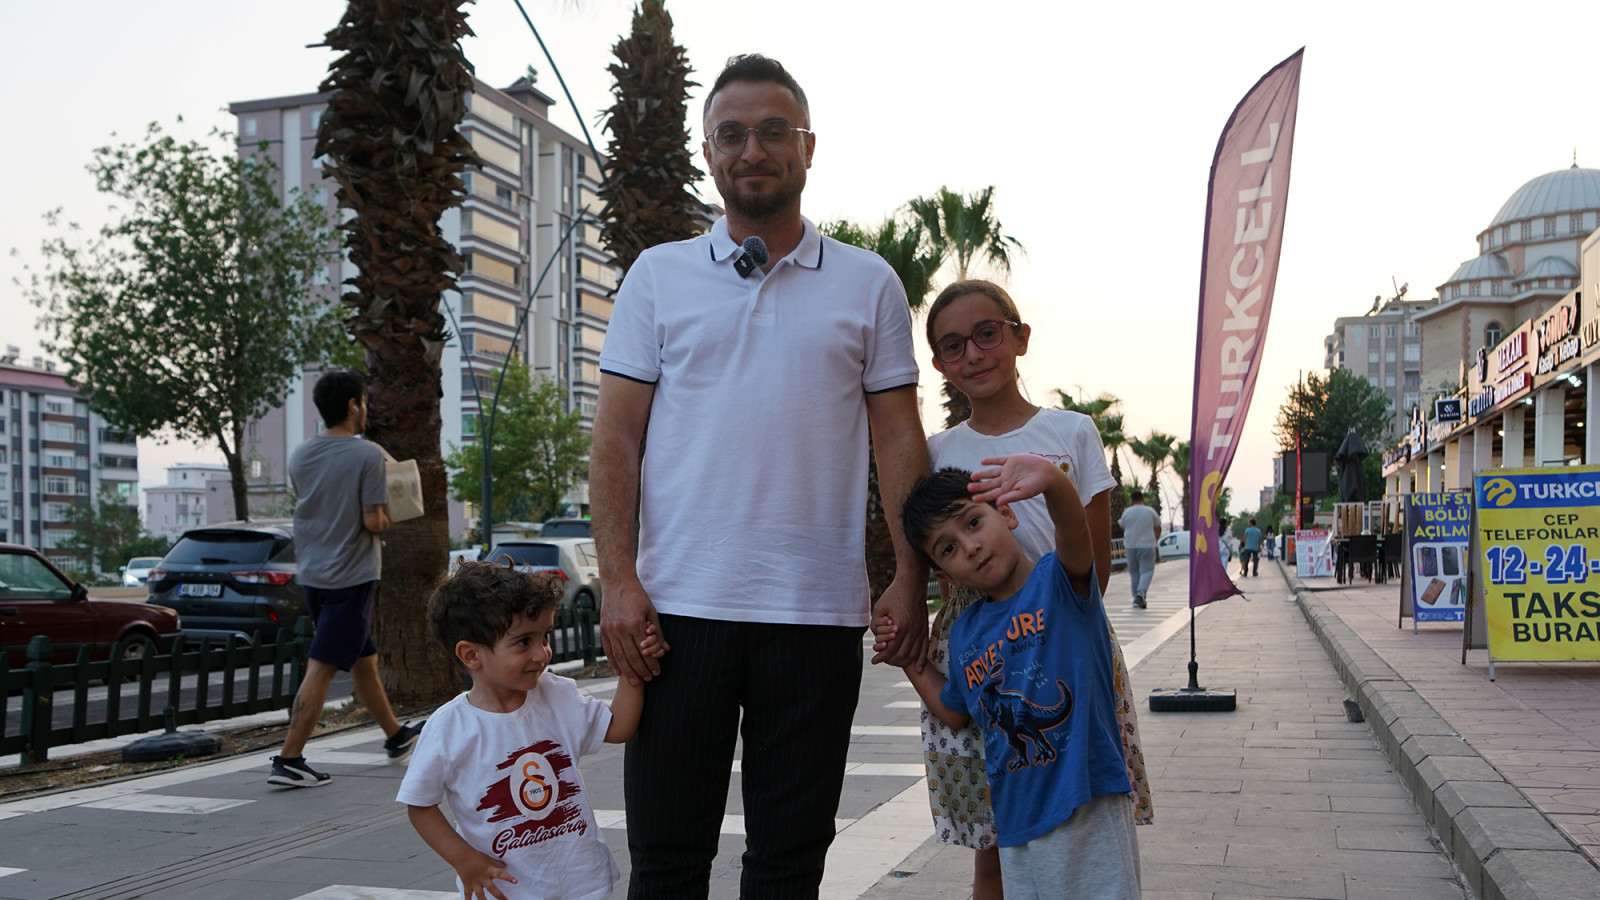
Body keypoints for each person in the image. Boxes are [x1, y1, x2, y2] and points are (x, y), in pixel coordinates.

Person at [589, 53, 930, 897]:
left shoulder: (868, 283)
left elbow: (899, 440)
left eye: (774, 131)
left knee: (789, 865)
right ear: (708, 152)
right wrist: (618, 582)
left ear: (808, 147)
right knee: (666, 864)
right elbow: (617, 440)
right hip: (677, 615)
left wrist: (910, 575)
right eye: (733, 134)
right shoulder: (657, 276)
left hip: (815, 616)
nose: (754, 150)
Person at [907, 279, 1150, 898]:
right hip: (980, 652)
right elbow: (926, 546)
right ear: (939, 363)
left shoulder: (1072, 433)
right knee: (994, 846)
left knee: (1084, 808)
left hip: (1064, 633)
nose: (973, 354)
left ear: (1019, 337)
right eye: (954, 346)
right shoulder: (937, 451)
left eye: (987, 334)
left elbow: (1094, 567)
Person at [890, 459, 1141, 898]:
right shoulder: (966, 632)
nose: (970, 546)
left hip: (1087, 800)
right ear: (945, 576)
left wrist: (1053, 481)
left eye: (973, 522)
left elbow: (1076, 534)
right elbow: (955, 710)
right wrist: (908, 656)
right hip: (1015, 820)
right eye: (948, 549)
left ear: (1006, 514)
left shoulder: (1060, 581)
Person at [398, 561, 662, 900]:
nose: (542, 653)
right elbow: (420, 805)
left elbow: (618, 726)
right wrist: (464, 860)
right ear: (471, 654)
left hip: (578, 881)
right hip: (507, 890)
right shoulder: (449, 728)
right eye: (524, 642)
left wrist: (633, 666)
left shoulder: (557, 695)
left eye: (545, 636)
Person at [269, 370, 422, 788]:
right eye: (364, 401)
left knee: (363, 661)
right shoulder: (367, 455)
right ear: (354, 405)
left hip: (314, 574)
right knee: (322, 666)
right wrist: (392, 517)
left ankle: (395, 736)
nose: (365, 408)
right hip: (350, 576)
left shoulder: (300, 455)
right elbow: (373, 520)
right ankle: (289, 758)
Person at [1119, 491, 1161, 609]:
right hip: (1147, 545)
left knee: (1134, 573)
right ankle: (1141, 593)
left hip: (1130, 545)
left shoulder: (1127, 512)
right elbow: (1158, 527)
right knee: (1147, 570)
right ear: (1142, 498)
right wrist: (1155, 540)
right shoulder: (1150, 511)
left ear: (1132, 499)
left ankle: (1136, 599)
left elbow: (1122, 526)